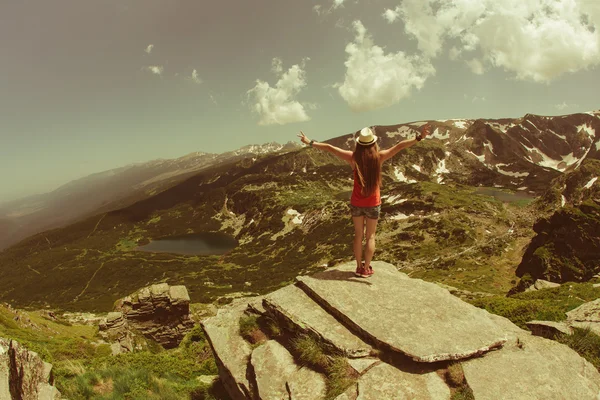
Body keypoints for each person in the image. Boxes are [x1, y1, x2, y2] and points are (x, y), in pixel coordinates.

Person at [297, 124, 431, 277]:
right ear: (373, 143)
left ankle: (358, 266)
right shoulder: (379, 157)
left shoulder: (353, 158)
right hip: (373, 203)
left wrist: (309, 142)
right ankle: (366, 269)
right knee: (370, 237)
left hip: (356, 203)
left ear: (359, 144)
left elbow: (329, 148)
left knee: (358, 235)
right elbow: (399, 146)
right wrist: (419, 137)